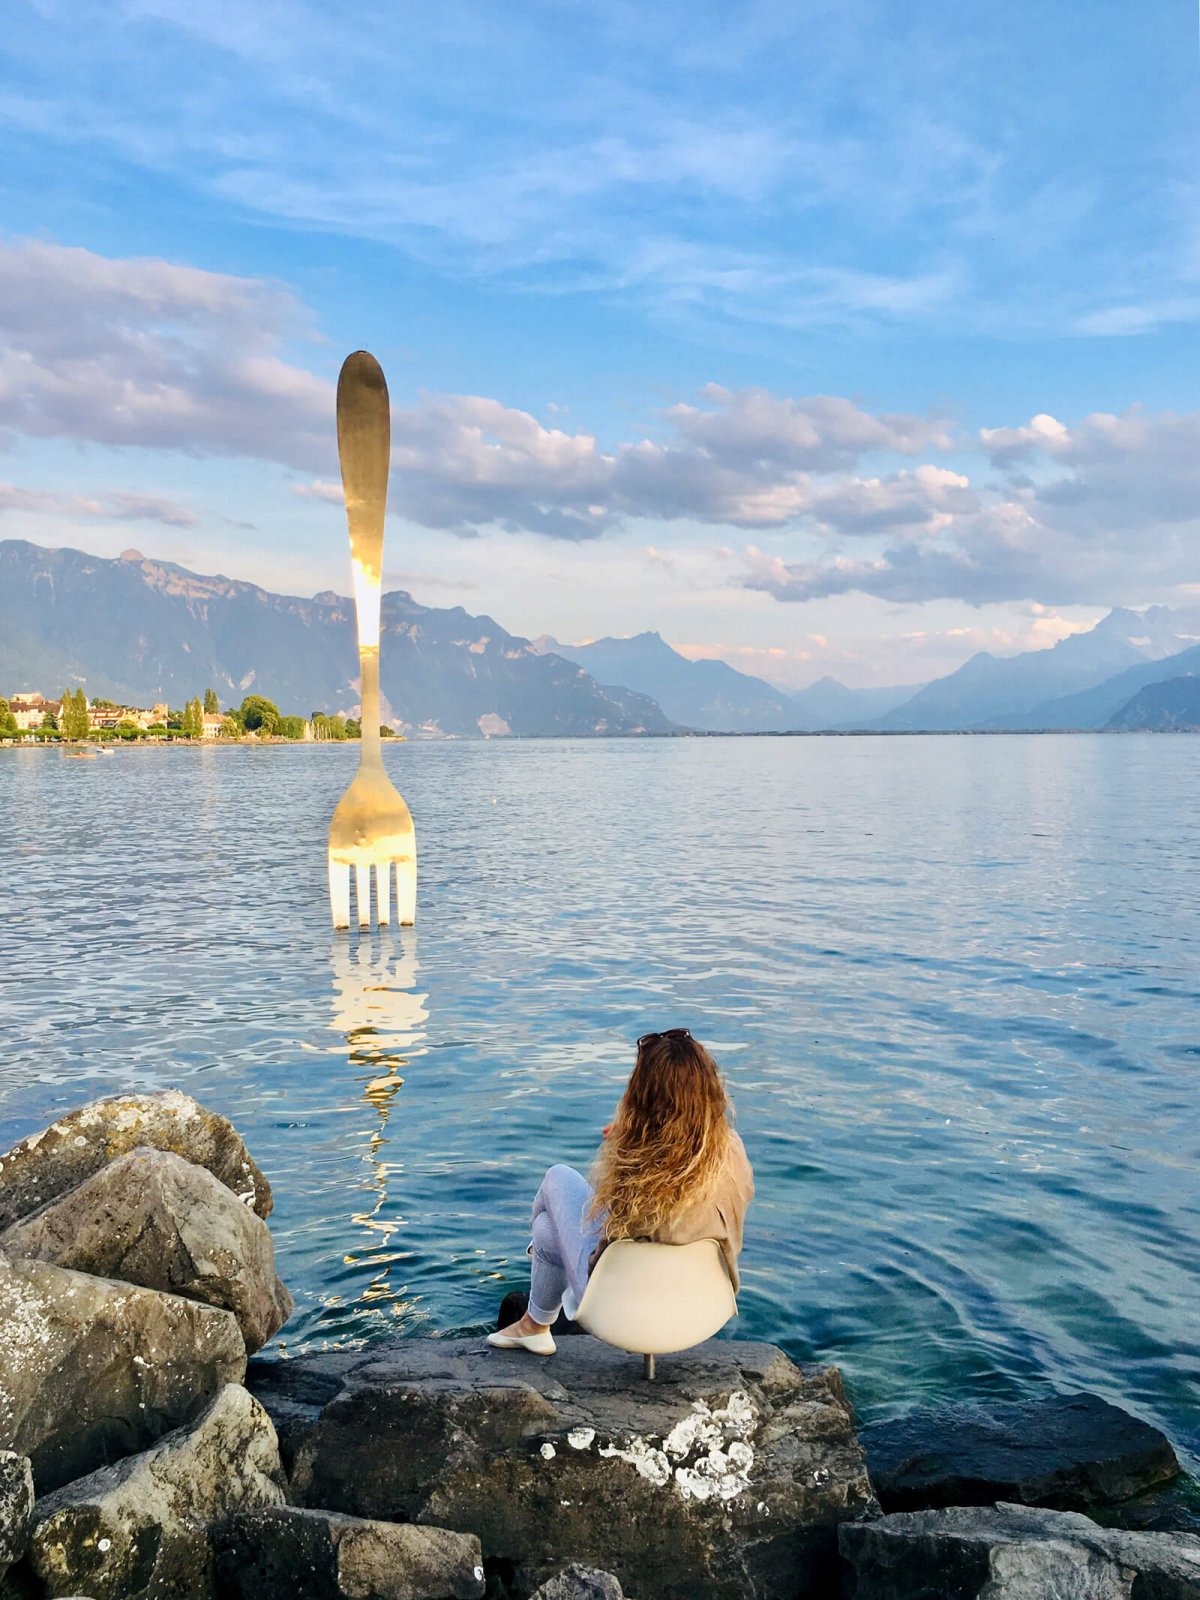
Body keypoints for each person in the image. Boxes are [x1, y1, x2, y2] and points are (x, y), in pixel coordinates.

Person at [487, 1028, 754, 1355]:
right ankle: (533, 1326)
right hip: (704, 1312)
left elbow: (605, 1246)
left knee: (556, 1181)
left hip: (620, 1314)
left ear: (642, 1097)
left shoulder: (637, 1169)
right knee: (548, 1229)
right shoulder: (735, 1152)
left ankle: (536, 1299)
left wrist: (628, 1143)